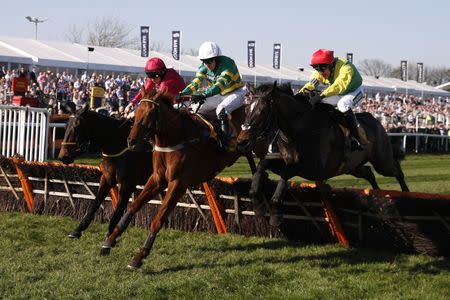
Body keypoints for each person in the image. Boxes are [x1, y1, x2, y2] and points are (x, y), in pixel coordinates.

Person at [179, 41, 247, 151]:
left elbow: (220, 85)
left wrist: (203, 95)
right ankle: (208, 135)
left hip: (236, 93)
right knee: (195, 107)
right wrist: (182, 93)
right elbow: (196, 82)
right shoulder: (204, 68)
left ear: (217, 58)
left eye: (209, 61)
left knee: (221, 109)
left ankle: (226, 142)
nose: (207, 64)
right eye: (204, 61)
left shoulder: (228, 64)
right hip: (219, 95)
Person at [298, 49, 365, 151]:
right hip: (339, 92)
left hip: (355, 91)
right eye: (317, 70)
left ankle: (356, 138)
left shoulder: (346, 68)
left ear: (331, 65)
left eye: (323, 70)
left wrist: (321, 95)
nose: (321, 73)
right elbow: (311, 85)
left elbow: (339, 86)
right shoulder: (320, 71)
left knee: (343, 105)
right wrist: (299, 95)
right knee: (319, 104)